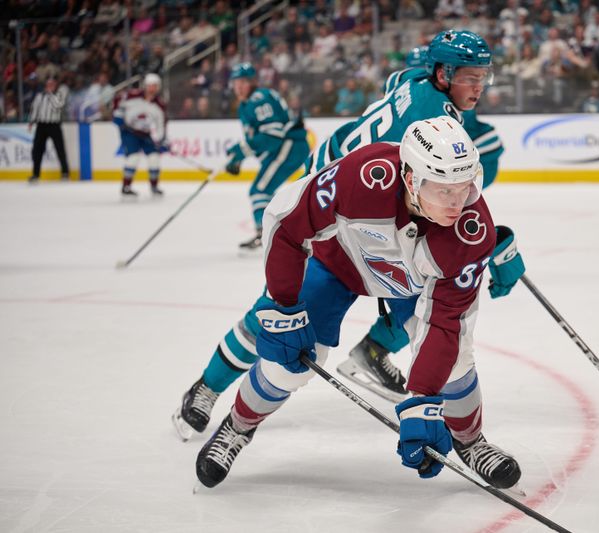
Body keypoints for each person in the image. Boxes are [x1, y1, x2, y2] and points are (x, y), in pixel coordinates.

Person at [172, 32, 524, 439]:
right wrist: (490, 245)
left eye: (484, 76)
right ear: (443, 73)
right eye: (470, 77)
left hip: (369, 204)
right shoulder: (433, 121)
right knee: (279, 314)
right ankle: (206, 387)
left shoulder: (412, 81)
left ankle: (380, 358)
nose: (479, 87)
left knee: (427, 305)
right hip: (343, 213)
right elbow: (414, 191)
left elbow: (397, 93)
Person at [193, 116, 522, 491]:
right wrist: (283, 305)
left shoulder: (472, 232)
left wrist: (423, 401)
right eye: (444, 190)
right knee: (289, 365)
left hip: (409, 284)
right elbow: (287, 224)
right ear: (411, 179)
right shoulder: (364, 176)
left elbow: (445, 323)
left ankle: (471, 441)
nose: (458, 203)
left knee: (456, 360)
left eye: (465, 187)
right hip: (338, 267)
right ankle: (237, 426)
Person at [224, 62, 311, 250]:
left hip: (290, 146)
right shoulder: (245, 105)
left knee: (260, 190)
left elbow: (273, 136)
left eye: (243, 82)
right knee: (263, 192)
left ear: (252, 82)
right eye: (235, 82)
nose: (238, 86)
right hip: (285, 147)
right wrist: (239, 157)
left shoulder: (259, 98)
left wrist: (240, 151)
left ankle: (266, 235)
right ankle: (275, 234)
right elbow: (257, 139)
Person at [112, 73, 168, 197]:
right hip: (129, 132)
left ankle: (154, 186)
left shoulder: (160, 105)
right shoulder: (131, 96)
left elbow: (161, 124)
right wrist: (118, 117)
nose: (152, 89)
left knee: (154, 158)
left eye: (154, 86)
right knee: (133, 157)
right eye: (149, 86)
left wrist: (160, 139)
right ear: (145, 86)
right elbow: (117, 103)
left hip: (146, 134)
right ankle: (126, 186)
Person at [28, 76, 70, 183]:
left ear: (55, 85)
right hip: (41, 125)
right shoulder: (39, 96)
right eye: (48, 84)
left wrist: (50, 94)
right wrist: (31, 121)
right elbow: (35, 109)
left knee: (60, 149)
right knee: (37, 150)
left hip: (54, 125)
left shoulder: (58, 95)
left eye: (52, 84)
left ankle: (65, 172)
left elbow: (58, 105)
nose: (50, 86)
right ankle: (35, 174)